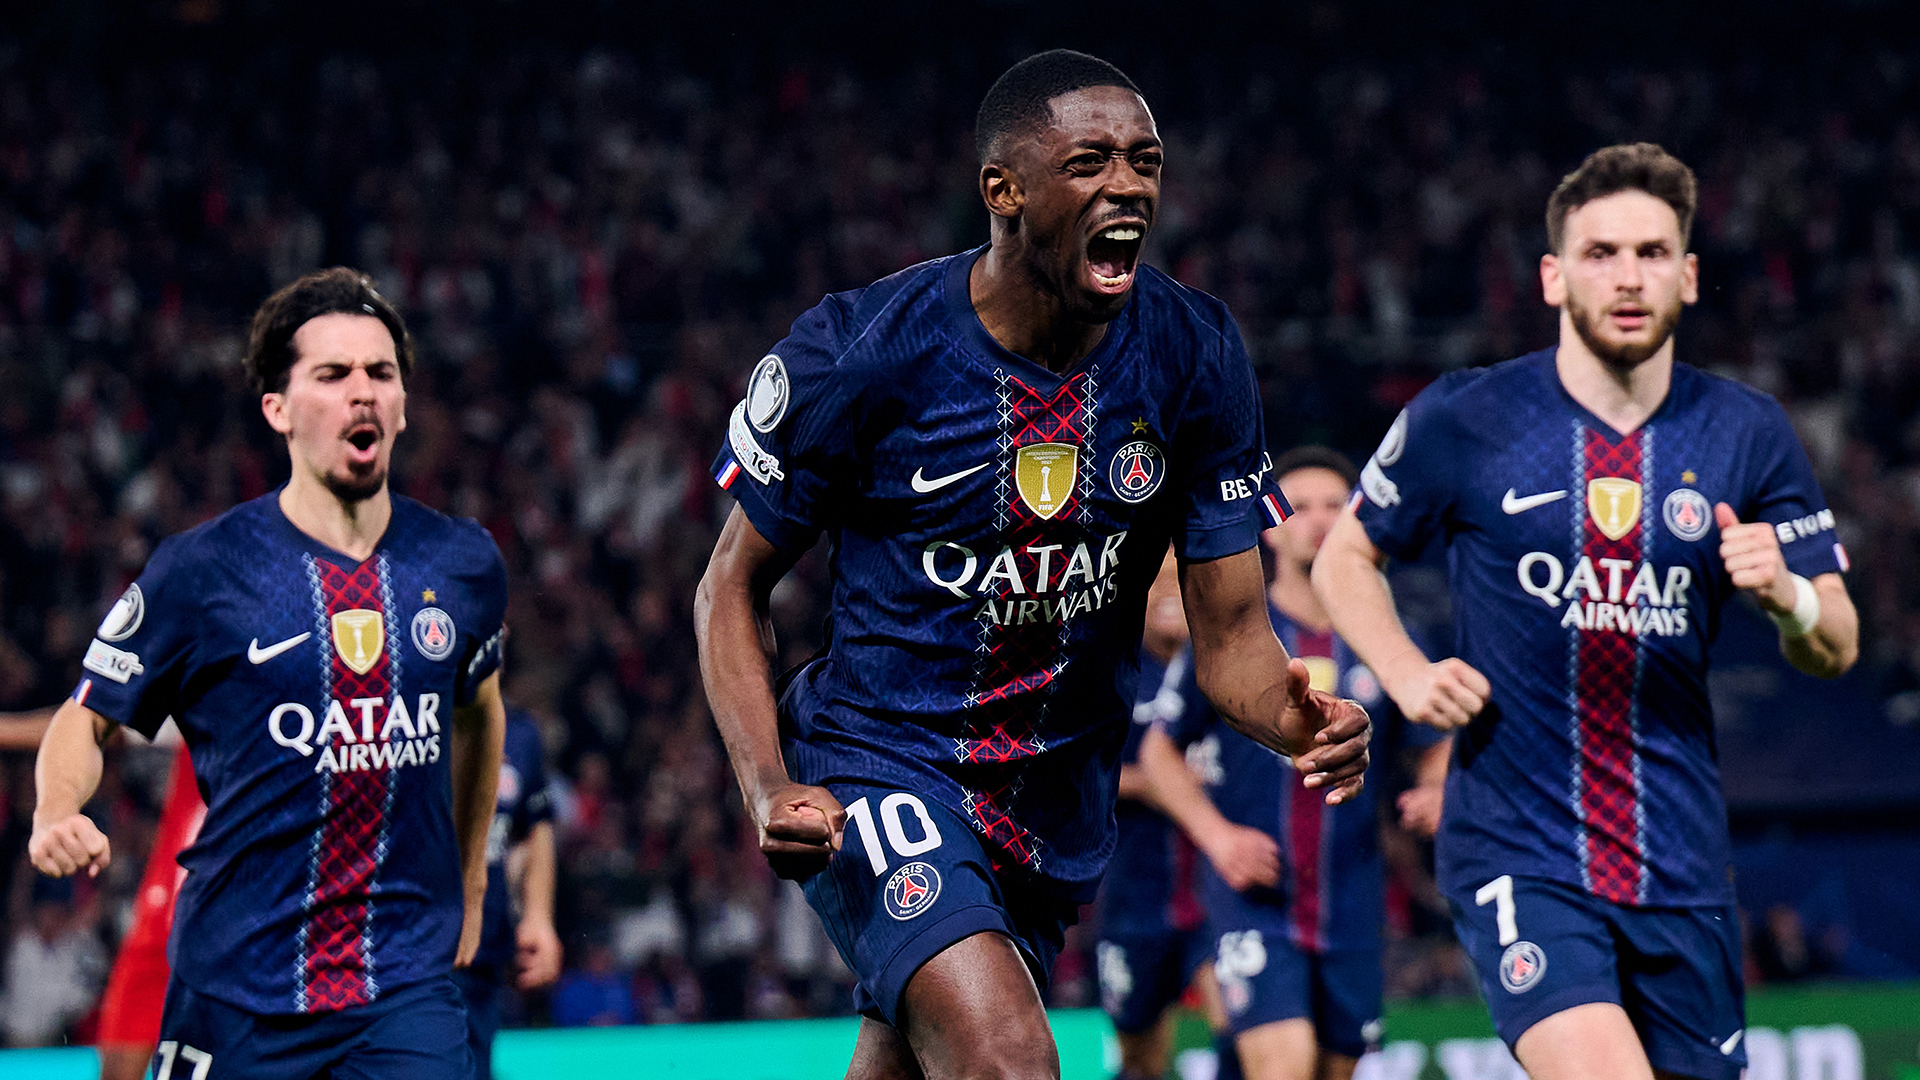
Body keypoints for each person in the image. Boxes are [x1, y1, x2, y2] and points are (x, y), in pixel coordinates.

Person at [694, 49, 1371, 1080]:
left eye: (1143, 161)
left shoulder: (1194, 352)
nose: (1127, 186)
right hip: (881, 759)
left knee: (914, 1062)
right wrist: (766, 785)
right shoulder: (864, 352)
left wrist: (1296, 720)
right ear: (1002, 190)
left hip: (1054, 803)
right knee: (1009, 1058)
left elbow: (1232, 640)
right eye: (1089, 162)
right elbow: (728, 588)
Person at [1313, 143, 1859, 1080]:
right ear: (1553, 276)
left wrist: (1791, 595)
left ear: (1688, 276)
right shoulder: (1466, 417)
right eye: (1601, 253)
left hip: (1681, 865)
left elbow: (1837, 645)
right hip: (1518, 847)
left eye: (1652, 252)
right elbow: (1345, 555)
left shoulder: (1749, 432)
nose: (1628, 276)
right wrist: (1405, 672)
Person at [29, 267, 508, 1080]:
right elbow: (88, 713)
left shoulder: (462, 563)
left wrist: (468, 883)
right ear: (278, 411)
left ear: (401, 406)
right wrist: (54, 809)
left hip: (401, 989)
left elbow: (478, 711)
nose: (362, 391)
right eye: (333, 374)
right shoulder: (201, 572)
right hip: (235, 989)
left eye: (380, 373)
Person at [1140, 448, 1446, 1080]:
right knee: (1282, 1065)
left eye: (1337, 505)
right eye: (1301, 506)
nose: (1320, 520)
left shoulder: (1389, 635)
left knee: (1332, 1070)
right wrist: (1218, 838)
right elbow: (1158, 752)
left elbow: (1433, 737)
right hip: (1254, 895)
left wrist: (1437, 787)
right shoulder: (1234, 637)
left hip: (1352, 897)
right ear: (1272, 522)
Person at [1095, 549, 1240, 1080]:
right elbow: (1062, 773)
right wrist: (1153, 784)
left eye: (1180, 579)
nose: (1168, 593)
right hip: (1135, 897)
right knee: (1139, 1055)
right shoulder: (1106, 673)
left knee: (1241, 1032)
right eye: (1154, 580)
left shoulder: (1236, 674)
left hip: (1222, 893)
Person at [453, 701, 562, 1080]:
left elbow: (535, 824)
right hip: (416, 956)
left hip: (485, 957)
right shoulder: (412, 715)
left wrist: (538, 915)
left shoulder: (518, 730)